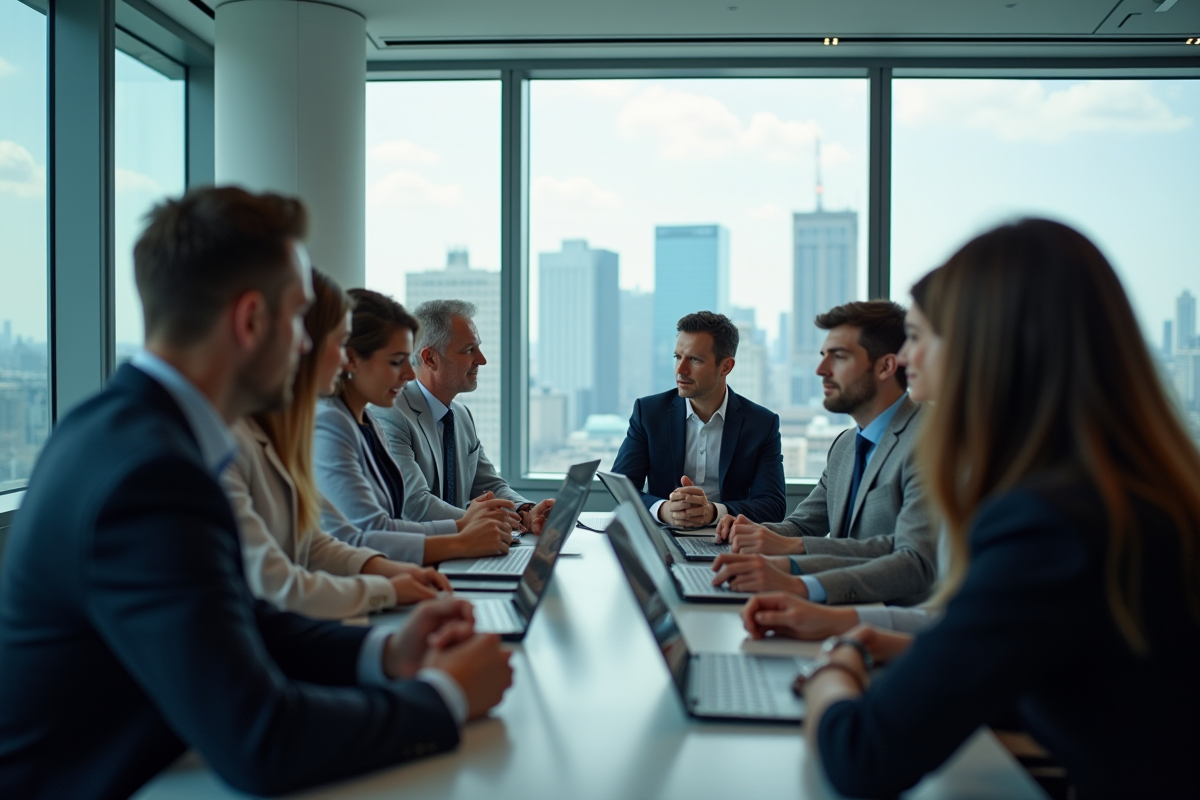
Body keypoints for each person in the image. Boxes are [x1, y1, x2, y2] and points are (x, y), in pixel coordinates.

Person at [0, 187, 513, 800]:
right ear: (249, 321)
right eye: (300, 319)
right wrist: (446, 696)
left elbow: (241, 619)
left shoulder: (131, 432)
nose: (310, 347)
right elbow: (261, 741)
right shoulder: (150, 474)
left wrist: (387, 652)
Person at [799, 219, 1200, 799]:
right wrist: (919, 650)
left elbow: (864, 757)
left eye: (916, 336)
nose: (905, 359)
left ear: (981, 346)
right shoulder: (1129, 490)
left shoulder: (1049, 522)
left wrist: (832, 668)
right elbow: (1074, 666)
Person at [222, 268, 453, 619]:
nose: (343, 358)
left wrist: (393, 575)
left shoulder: (293, 431)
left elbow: (316, 542)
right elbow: (278, 584)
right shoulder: (237, 439)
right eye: (338, 342)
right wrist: (387, 589)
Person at [742, 276, 945, 639]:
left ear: (885, 367)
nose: (821, 370)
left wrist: (795, 570)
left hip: (899, 633)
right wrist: (737, 533)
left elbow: (914, 562)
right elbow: (804, 526)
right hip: (833, 620)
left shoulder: (930, 439)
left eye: (839, 356)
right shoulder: (845, 445)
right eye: (822, 356)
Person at [314, 291, 516, 562]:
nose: (410, 374)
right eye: (396, 361)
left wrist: (510, 514)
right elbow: (371, 531)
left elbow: (386, 524)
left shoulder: (368, 421)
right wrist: (463, 535)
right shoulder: (335, 423)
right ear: (351, 360)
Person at [372, 299, 553, 533]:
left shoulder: (461, 414)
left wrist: (525, 510)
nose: (482, 359)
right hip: (417, 557)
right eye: (469, 350)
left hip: (462, 551)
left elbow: (489, 484)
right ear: (430, 359)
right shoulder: (391, 414)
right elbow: (414, 505)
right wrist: (486, 522)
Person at [612, 311, 786, 527]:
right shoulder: (648, 413)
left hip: (730, 540)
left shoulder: (761, 424)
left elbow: (773, 505)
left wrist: (714, 512)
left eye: (694, 359)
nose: (680, 370)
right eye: (677, 357)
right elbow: (621, 488)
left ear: (726, 367)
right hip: (663, 537)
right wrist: (663, 509)